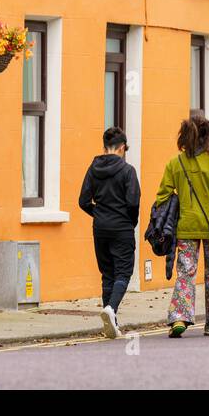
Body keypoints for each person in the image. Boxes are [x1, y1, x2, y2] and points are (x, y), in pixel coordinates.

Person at [155, 113, 209, 337]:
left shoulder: (175, 164)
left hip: (186, 227)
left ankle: (179, 316)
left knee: (185, 273)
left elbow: (162, 196)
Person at [78, 126, 140, 339]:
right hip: (121, 228)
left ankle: (111, 323)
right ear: (122, 148)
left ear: (105, 147)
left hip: (100, 228)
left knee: (108, 274)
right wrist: (130, 222)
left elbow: (83, 201)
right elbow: (133, 203)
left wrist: (99, 214)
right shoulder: (127, 171)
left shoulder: (93, 168)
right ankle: (111, 309)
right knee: (123, 273)